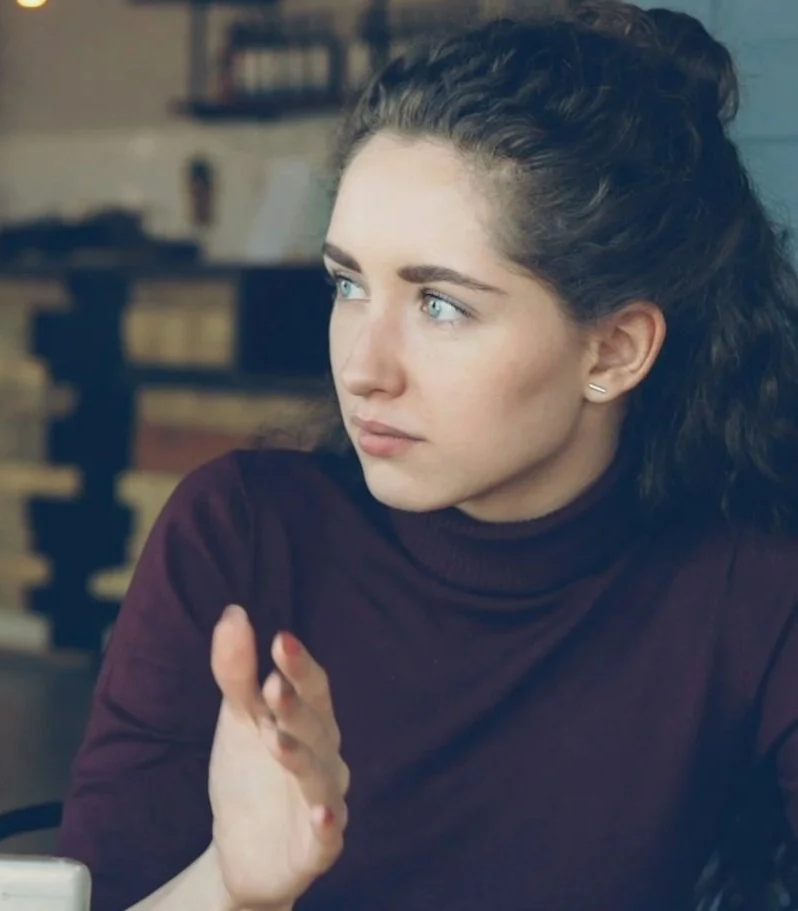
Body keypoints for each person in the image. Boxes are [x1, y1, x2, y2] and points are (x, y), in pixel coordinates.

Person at [58, 3, 798, 909]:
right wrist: (232, 887)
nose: (361, 368)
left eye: (441, 305)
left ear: (612, 352)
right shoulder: (241, 533)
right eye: (347, 284)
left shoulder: (753, 586)